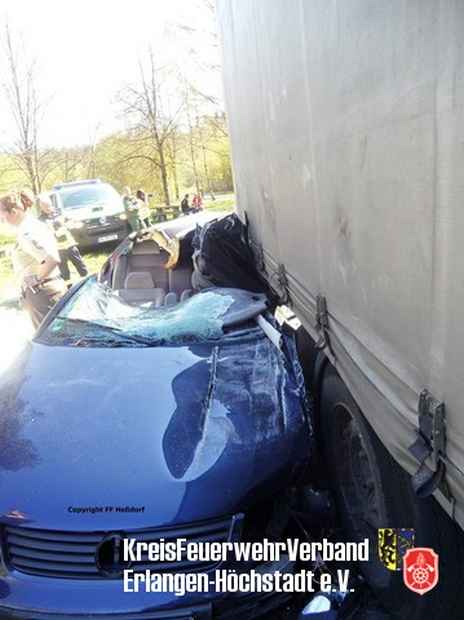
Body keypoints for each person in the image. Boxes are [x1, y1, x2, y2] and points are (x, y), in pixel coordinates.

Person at [0, 190, 66, 328]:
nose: (1, 218)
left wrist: (36, 280)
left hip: (43, 293)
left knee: (49, 343)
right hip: (49, 289)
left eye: (2, 213)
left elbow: (52, 259)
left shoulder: (26, 232)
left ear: (14, 211)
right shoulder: (33, 225)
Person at [36, 193, 88, 284]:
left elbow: (71, 221)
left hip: (70, 245)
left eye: (49, 205)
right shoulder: (40, 220)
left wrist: (73, 224)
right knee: (64, 270)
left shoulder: (60, 213)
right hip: (57, 249)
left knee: (80, 264)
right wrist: (54, 233)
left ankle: (87, 280)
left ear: (51, 204)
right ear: (41, 207)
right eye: (45, 206)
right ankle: (68, 287)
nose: (48, 208)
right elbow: (42, 234)